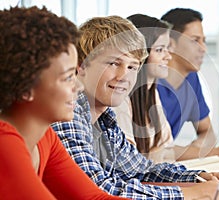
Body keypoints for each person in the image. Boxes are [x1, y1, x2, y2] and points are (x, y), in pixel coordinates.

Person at [51, 15, 219, 200]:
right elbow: (99, 190)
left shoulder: (105, 119)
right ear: (81, 66)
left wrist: (199, 177)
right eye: (114, 63)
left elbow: (143, 170)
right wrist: (190, 194)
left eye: (132, 67)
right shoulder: (69, 113)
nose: (123, 76)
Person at [0, 6, 125, 199]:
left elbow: (94, 198)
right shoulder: (4, 145)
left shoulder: (44, 137)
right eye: (67, 78)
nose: (79, 87)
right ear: (25, 88)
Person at [157, 8, 219, 165]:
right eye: (195, 40)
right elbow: (154, 150)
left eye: (204, 41)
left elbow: (207, 133)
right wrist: (216, 153)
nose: (203, 48)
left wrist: (197, 153)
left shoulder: (191, 78)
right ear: (170, 44)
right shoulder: (148, 81)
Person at [112, 14, 175, 163]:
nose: (168, 57)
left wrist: (155, 157)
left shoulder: (153, 94)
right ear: (141, 55)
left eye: (167, 49)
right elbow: (130, 163)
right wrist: (155, 156)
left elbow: (169, 153)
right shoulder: (121, 100)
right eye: (160, 50)